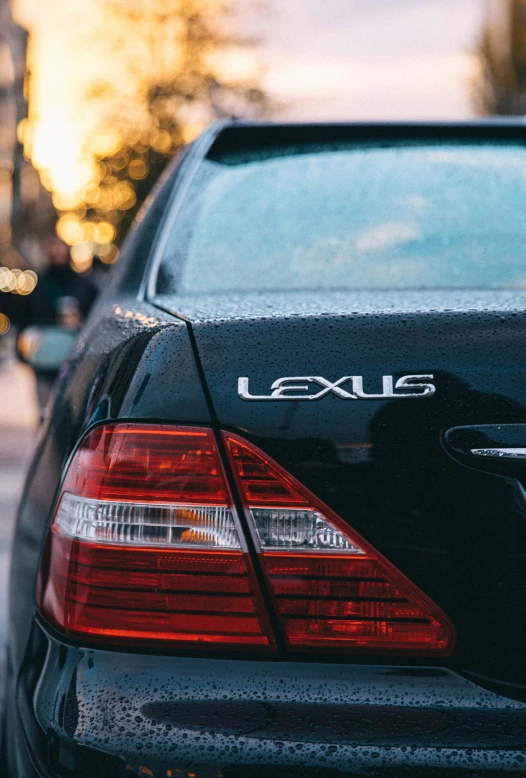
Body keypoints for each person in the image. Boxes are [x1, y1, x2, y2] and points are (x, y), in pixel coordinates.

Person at [22, 236, 98, 411]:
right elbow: (27, 316)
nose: (57, 254)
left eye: (61, 250)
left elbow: (94, 313)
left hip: (73, 353)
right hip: (45, 355)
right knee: (45, 408)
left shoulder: (83, 285)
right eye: (54, 250)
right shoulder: (40, 284)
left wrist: (80, 320)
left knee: (70, 406)